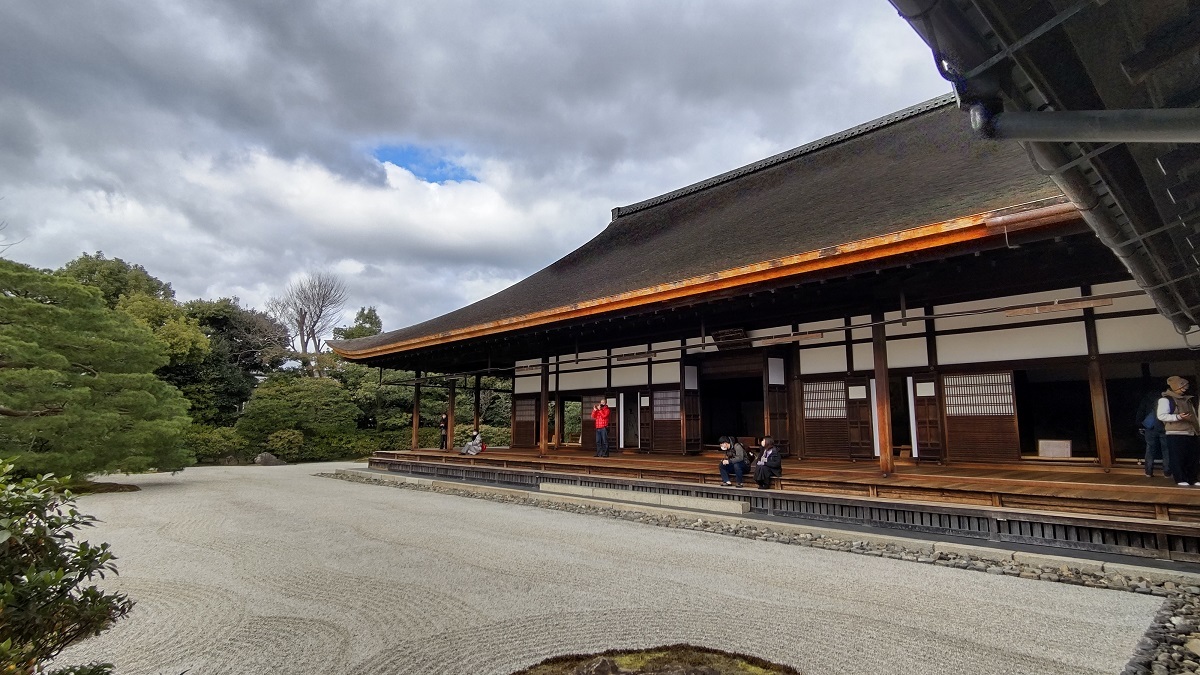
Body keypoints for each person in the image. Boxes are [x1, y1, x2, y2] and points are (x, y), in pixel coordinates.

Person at [1160, 376, 1200, 486]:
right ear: (1175, 387)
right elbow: (1161, 416)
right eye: (1182, 386)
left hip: (1191, 432)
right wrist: (1178, 417)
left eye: (1185, 386)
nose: (1185, 389)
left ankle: (1193, 478)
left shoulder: (1188, 399)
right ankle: (1180, 479)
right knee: (1178, 458)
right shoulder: (1165, 400)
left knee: (1192, 458)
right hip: (1175, 433)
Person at [1136, 387, 1169, 478]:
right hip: (1164, 427)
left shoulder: (1146, 398)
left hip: (1150, 427)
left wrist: (1140, 425)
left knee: (1150, 450)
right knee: (1166, 450)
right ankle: (1167, 472)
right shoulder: (1166, 399)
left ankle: (1148, 471)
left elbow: (1140, 412)